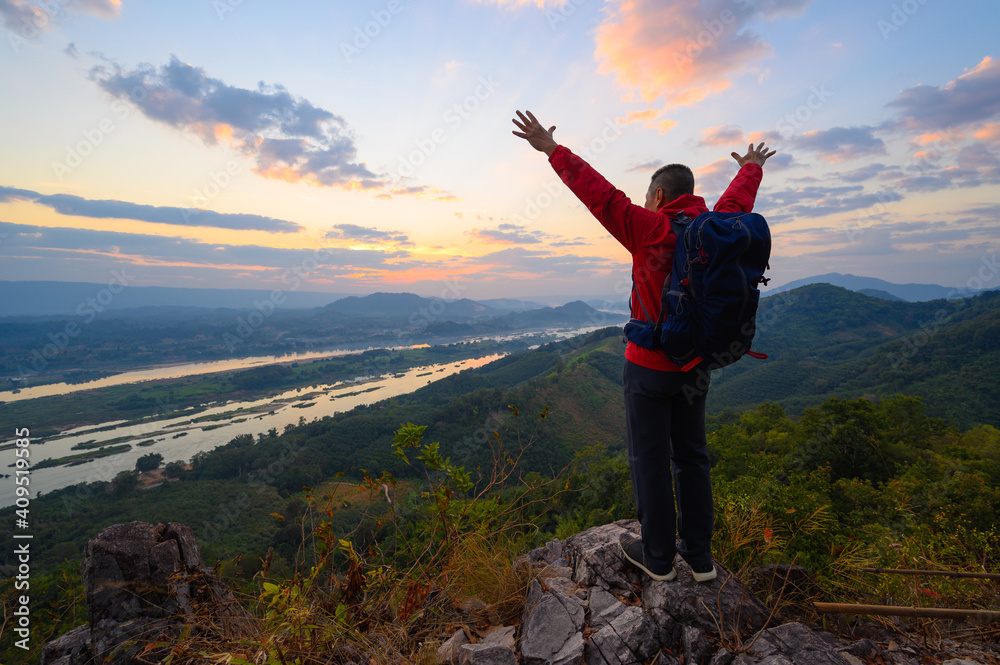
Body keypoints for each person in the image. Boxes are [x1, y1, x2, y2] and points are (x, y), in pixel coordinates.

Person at [511, 110, 775, 582]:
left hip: (649, 368)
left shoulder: (648, 228)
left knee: (650, 458)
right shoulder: (719, 229)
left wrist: (553, 151)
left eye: (646, 196)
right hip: (696, 366)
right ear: (692, 195)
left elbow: (601, 196)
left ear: (658, 196)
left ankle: (656, 559)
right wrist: (751, 166)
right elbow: (737, 201)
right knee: (691, 455)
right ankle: (699, 559)